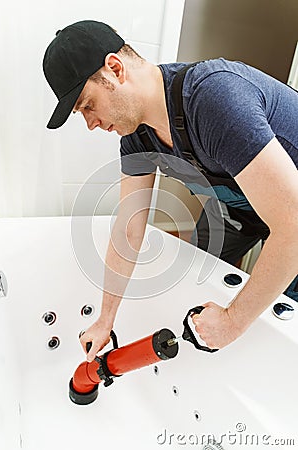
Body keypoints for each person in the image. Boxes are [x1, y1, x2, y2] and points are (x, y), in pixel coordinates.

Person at [43, 20, 298, 362]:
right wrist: (105, 319)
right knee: (196, 276)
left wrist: (232, 322)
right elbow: (129, 228)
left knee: (284, 322)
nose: (90, 123)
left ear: (114, 69)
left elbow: (293, 224)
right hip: (242, 205)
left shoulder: (215, 100)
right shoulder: (138, 136)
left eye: (88, 105)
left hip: (292, 210)